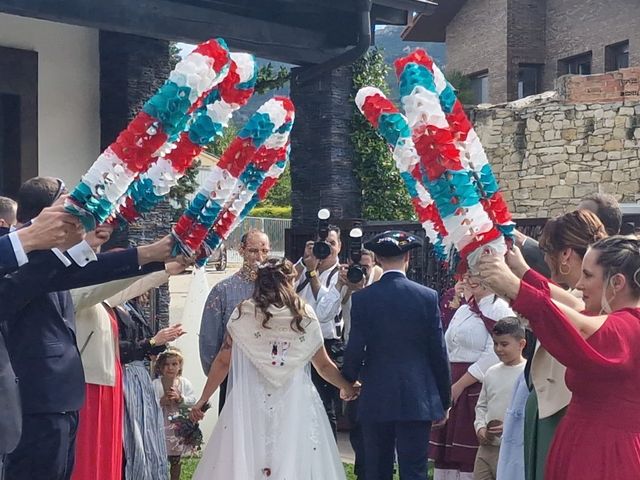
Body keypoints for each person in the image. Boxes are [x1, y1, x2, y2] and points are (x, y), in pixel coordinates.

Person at [2, 177, 175, 480]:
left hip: (62, 396)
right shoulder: (22, 259)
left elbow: (90, 271)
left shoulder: (46, 260)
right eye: (67, 206)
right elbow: (73, 278)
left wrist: (152, 254)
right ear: (45, 215)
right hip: (34, 396)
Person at [476, 235, 640, 480]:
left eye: (588, 275)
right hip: (585, 442)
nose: (580, 284)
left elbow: (580, 325)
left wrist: (515, 287)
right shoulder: (618, 319)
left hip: (605, 454)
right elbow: (573, 306)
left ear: (616, 282)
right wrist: (522, 273)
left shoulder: (627, 327)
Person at [190, 257, 358, 479]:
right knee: (291, 457)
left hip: (250, 397)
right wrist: (346, 386)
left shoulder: (245, 313)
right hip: (294, 398)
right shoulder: (303, 314)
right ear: (291, 281)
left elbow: (222, 361)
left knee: (250, 455)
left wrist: (203, 399)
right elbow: (324, 365)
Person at [69, 223, 187, 480]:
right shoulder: (79, 289)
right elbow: (110, 284)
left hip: (108, 381)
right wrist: (152, 257)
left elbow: (125, 288)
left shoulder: (105, 299)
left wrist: (168, 268)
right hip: (89, 383)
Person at [343, 230, 451, 480]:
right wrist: (444, 399)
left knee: (377, 469)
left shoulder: (363, 299)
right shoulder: (426, 297)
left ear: (378, 259)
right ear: (408, 259)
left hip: (376, 395)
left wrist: (348, 381)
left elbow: (355, 347)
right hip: (417, 396)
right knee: (414, 469)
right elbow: (438, 351)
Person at [511, 210, 607, 480]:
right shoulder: (572, 294)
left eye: (547, 250)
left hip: (563, 412)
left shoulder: (593, 302)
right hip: (549, 408)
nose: (544, 258)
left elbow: (566, 309)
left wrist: (517, 278)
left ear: (565, 255)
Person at [430, 273, 514, 480]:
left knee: (468, 455)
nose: (470, 279)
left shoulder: (500, 308)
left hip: (476, 387)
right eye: (468, 274)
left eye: (477, 274)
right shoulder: (464, 310)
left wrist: (459, 385)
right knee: (447, 456)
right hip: (452, 380)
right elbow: (447, 345)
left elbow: (493, 353)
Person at [316, 247, 381, 479]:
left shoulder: (380, 290)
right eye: (356, 268)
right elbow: (323, 315)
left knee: (373, 427)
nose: (359, 272)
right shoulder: (346, 287)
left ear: (374, 266)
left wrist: (364, 291)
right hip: (352, 360)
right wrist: (341, 287)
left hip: (377, 364)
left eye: (364, 268)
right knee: (356, 424)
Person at [199, 229, 270, 411]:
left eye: (264, 251)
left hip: (270, 377)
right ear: (242, 250)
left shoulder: (276, 291)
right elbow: (209, 339)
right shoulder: (223, 290)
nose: (259, 257)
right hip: (233, 376)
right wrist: (217, 374)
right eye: (253, 251)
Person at [116, 295, 185, 480]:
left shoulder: (131, 305)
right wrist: (153, 341)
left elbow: (147, 347)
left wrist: (163, 340)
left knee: (148, 434)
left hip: (140, 377)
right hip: (125, 376)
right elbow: (119, 348)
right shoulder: (111, 307)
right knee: (132, 436)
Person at [295, 225, 344, 437]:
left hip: (326, 345)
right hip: (298, 344)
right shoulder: (305, 266)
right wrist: (305, 261)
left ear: (339, 246)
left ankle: (328, 458)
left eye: (332, 244)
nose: (327, 248)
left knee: (324, 406)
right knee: (298, 404)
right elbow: (282, 283)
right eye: (322, 244)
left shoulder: (340, 275)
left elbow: (324, 311)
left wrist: (313, 272)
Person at [473, 318, 527, 480]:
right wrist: (480, 427)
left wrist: (510, 427)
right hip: (486, 448)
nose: (499, 349)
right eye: (495, 344)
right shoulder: (491, 372)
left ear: (521, 344)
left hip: (512, 449)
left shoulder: (527, 374)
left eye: (504, 344)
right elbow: (481, 406)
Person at [153, 348, 197, 480]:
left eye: (174, 364)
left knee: (176, 458)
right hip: (161, 425)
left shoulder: (184, 383)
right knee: (160, 456)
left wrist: (180, 398)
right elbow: (149, 403)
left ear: (180, 366)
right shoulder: (155, 384)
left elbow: (192, 400)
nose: (170, 368)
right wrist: (161, 401)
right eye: (166, 364)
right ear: (160, 367)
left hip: (178, 427)